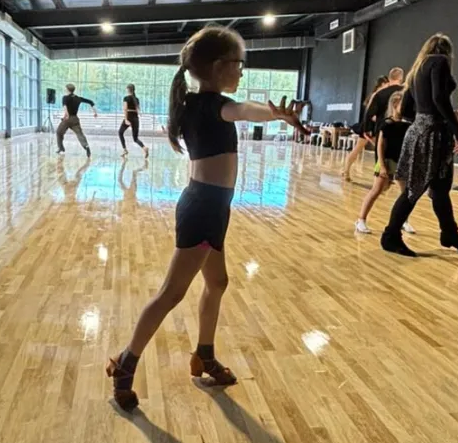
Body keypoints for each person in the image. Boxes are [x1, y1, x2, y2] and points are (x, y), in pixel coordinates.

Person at [106, 25, 308, 412]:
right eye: (238, 64)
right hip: (203, 210)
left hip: (211, 207)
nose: (241, 71)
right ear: (218, 67)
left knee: (217, 282)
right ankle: (125, 364)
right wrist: (274, 114)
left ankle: (205, 355)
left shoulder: (195, 105)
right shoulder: (214, 105)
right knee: (171, 293)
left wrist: (274, 114)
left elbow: (240, 109)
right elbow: (243, 110)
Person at [380, 33, 458, 257]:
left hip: (420, 130)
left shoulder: (416, 69)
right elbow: (440, 98)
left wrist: (423, 121)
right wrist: (457, 131)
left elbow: (406, 109)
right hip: (433, 133)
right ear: (447, 51)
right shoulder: (440, 62)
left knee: (440, 189)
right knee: (415, 188)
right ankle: (390, 235)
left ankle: (450, 233)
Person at [355, 91, 415, 235]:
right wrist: (382, 165)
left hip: (401, 162)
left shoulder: (407, 125)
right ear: (394, 104)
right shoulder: (386, 124)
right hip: (387, 161)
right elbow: (380, 145)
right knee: (376, 190)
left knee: (406, 194)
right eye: (403, 104)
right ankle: (361, 220)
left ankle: (403, 221)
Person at [342, 75, 388, 181]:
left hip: (376, 127)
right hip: (369, 127)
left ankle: (381, 175)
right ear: (382, 84)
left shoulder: (382, 95)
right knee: (359, 150)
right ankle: (346, 171)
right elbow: (370, 113)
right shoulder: (376, 95)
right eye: (387, 83)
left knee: (381, 150)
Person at [56, 83, 97, 157]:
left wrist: (66, 115)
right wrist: (95, 112)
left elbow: (65, 107)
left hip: (68, 119)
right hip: (75, 119)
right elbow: (91, 102)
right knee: (80, 134)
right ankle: (86, 147)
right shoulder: (78, 98)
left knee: (59, 132)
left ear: (67, 89)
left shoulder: (65, 97)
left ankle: (61, 148)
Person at [119, 84, 150, 158]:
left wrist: (126, 119)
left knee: (120, 132)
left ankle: (125, 149)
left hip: (129, 116)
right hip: (135, 118)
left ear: (128, 89)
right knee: (135, 138)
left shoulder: (126, 98)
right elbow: (138, 109)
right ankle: (144, 148)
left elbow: (125, 109)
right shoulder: (136, 99)